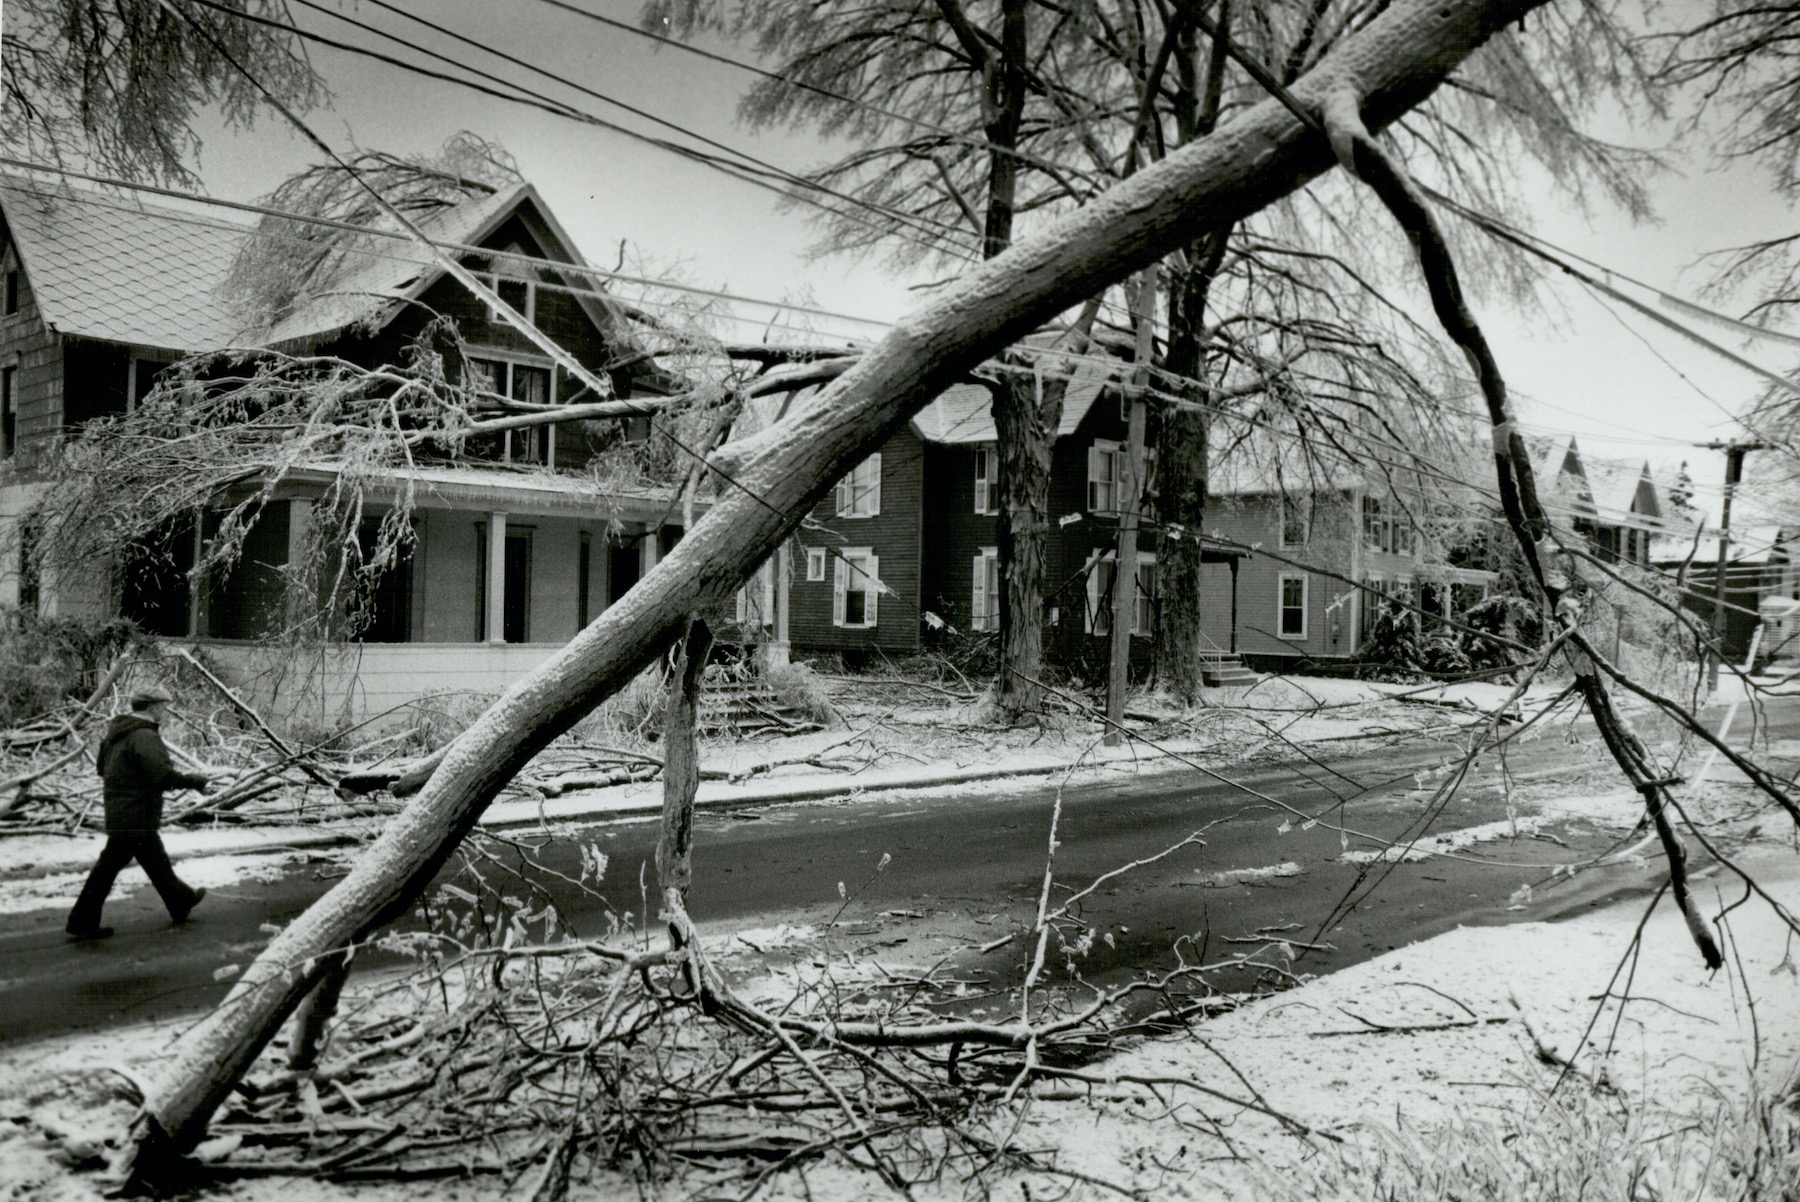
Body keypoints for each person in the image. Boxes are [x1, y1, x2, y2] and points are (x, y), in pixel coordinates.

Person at [66, 685, 214, 941]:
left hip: (125, 810)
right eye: (163, 706)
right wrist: (196, 781)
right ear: (154, 706)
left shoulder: (118, 732)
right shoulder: (143, 735)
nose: (165, 711)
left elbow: (102, 768)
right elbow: (162, 775)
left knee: (154, 860)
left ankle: (180, 900)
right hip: (135, 813)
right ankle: (82, 921)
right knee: (109, 867)